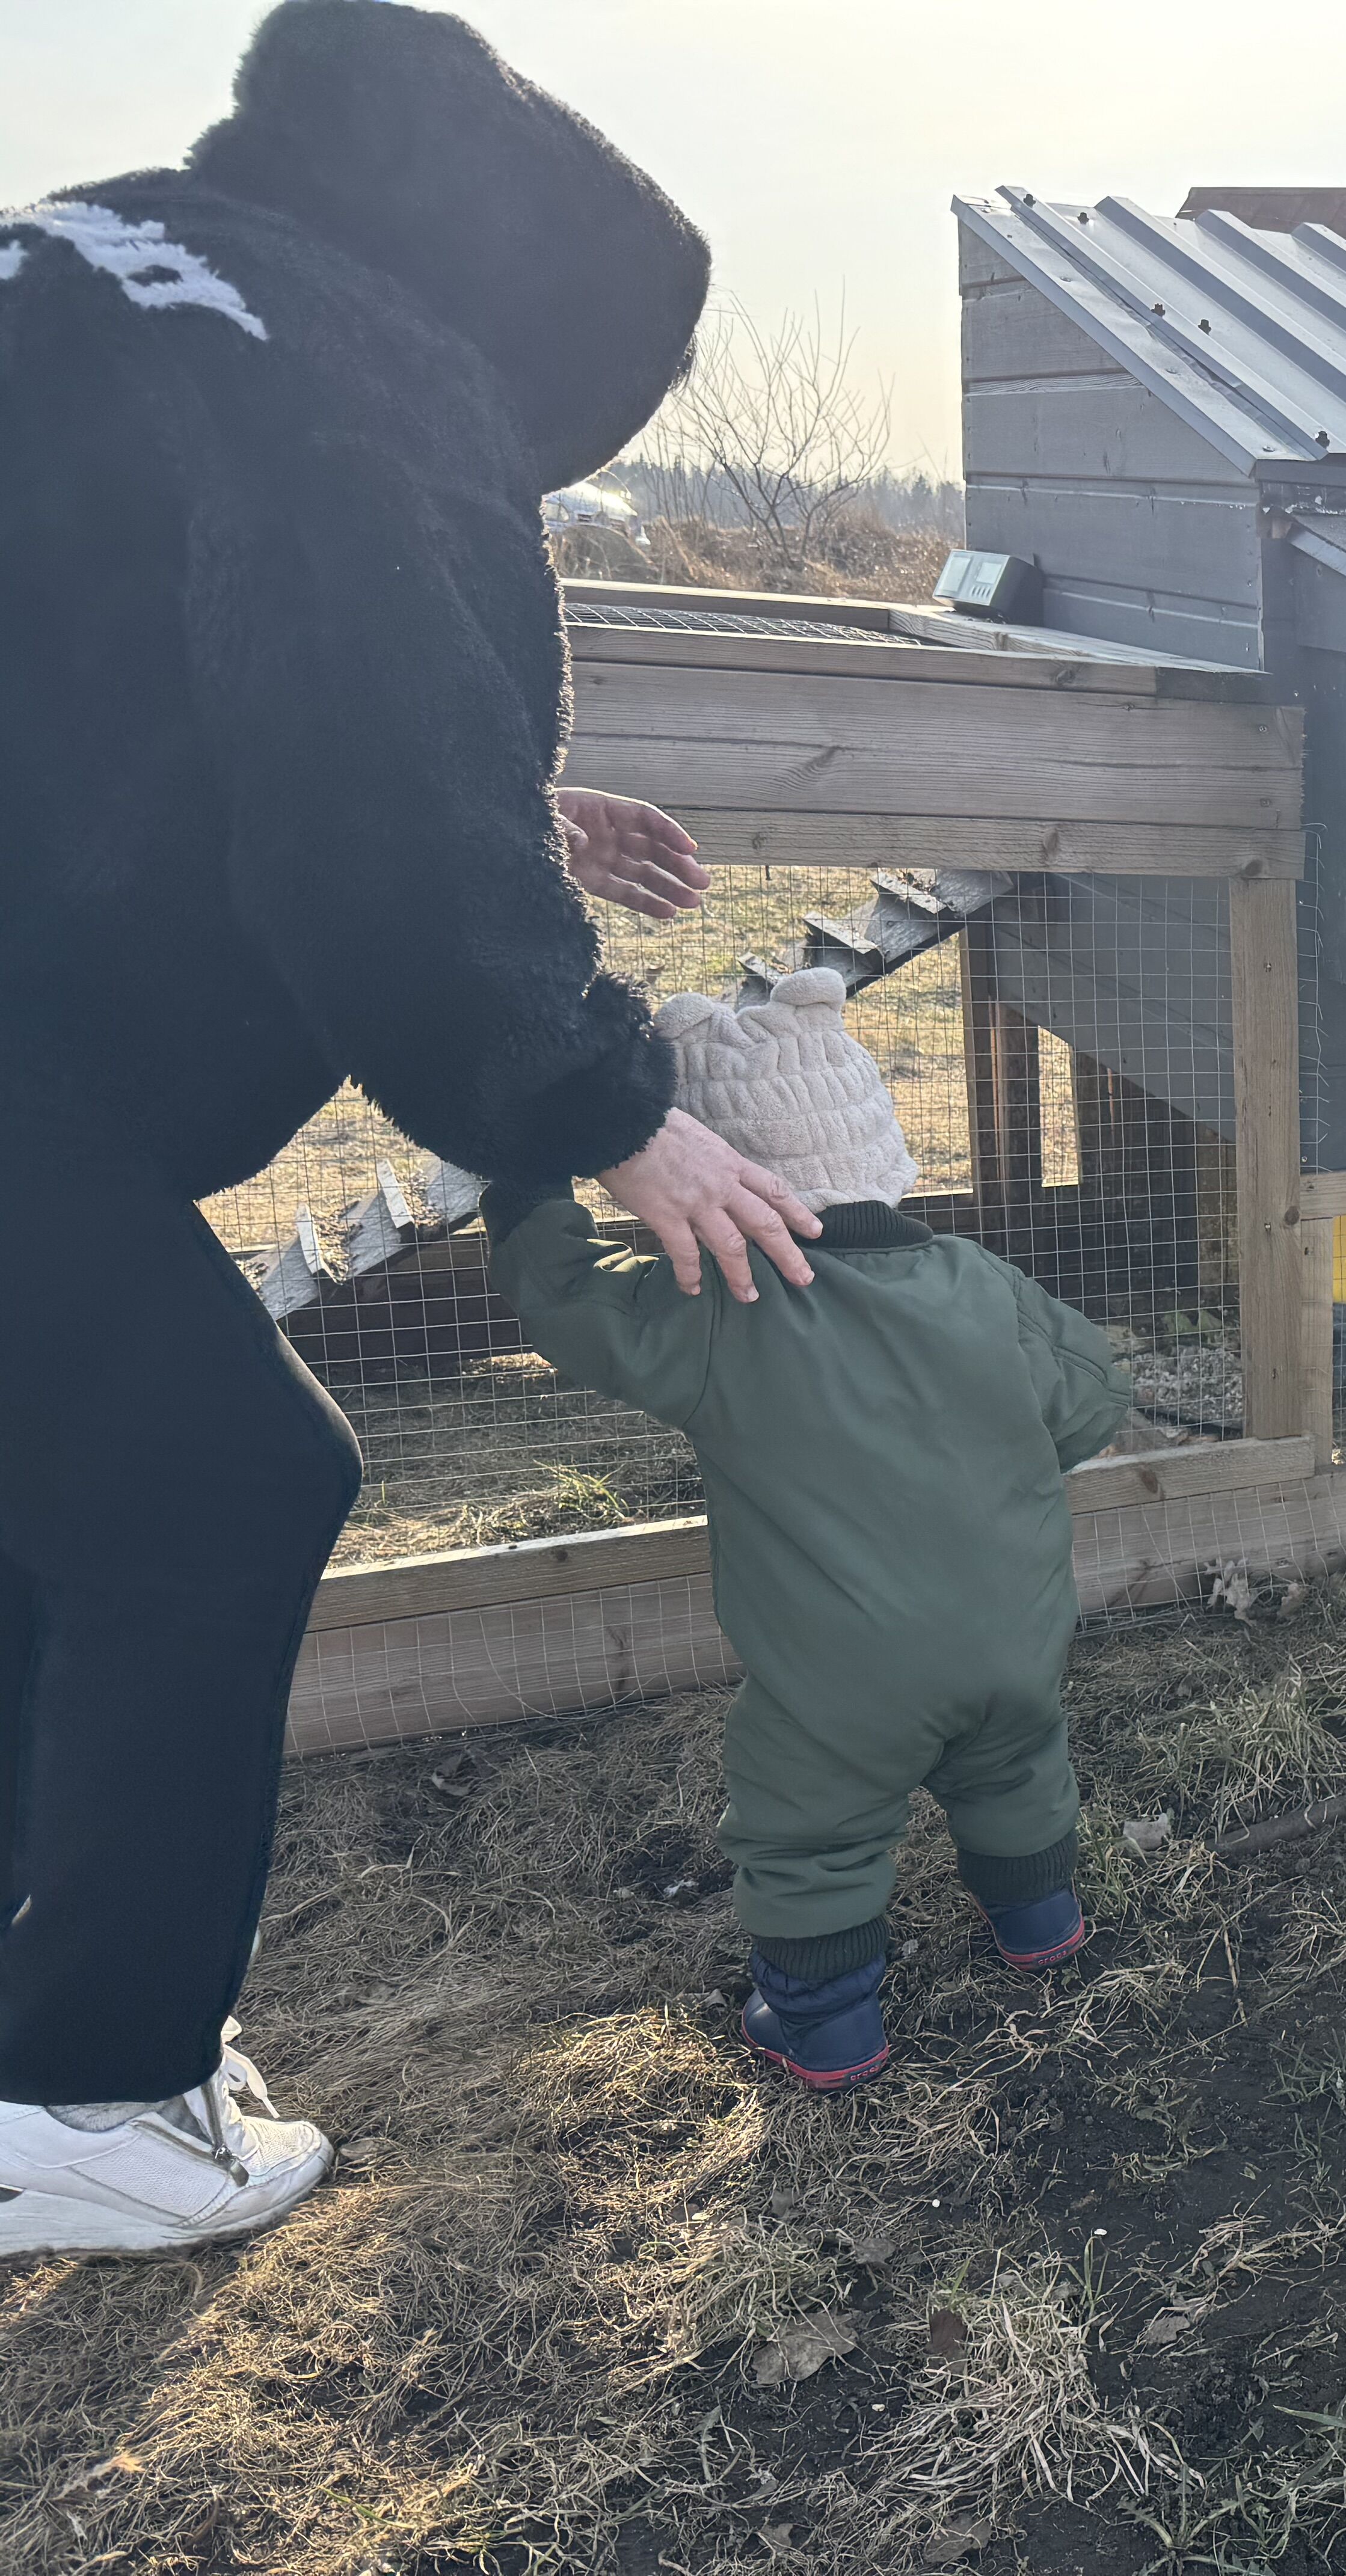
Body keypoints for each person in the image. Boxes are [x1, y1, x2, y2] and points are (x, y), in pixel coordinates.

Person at [0, 2, 816, 2258]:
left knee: (49, 1484)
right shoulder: (353, 365)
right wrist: (608, 1103)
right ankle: (93, 2087)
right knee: (223, 1483)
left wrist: (514, 799)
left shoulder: (94, 272)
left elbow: (116, 687)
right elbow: (359, 798)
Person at [490, 971, 1135, 2094]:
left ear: (714, 1176)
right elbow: (1091, 1397)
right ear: (881, 1145)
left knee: (811, 1827)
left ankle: (825, 2027)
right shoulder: (974, 1279)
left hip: (842, 1682)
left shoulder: (718, 1303)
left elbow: (570, 1309)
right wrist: (989, 1464)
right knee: (1016, 1765)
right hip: (1016, 1638)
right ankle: (1042, 1927)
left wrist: (531, 1186)